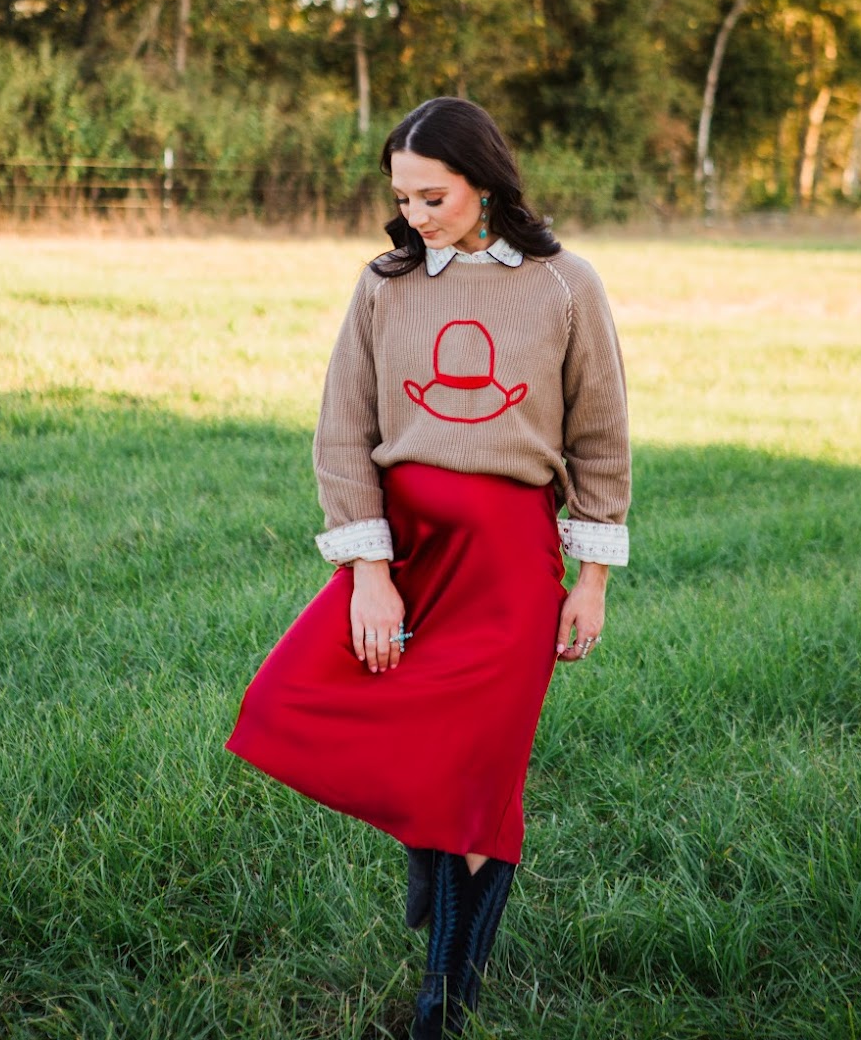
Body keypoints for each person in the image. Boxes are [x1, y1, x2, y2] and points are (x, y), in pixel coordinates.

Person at [226, 97, 631, 1038]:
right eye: (402, 197)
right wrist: (370, 570)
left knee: (476, 781)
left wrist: (593, 575)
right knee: (287, 701)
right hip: (404, 550)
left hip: (508, 566)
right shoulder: (384, 283)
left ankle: (446, 1004)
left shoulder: (565, 284)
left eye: (433, 195)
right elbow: (344, 430)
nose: (414, 214)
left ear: (484, 181)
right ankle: (422, 826)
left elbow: (601, 433)